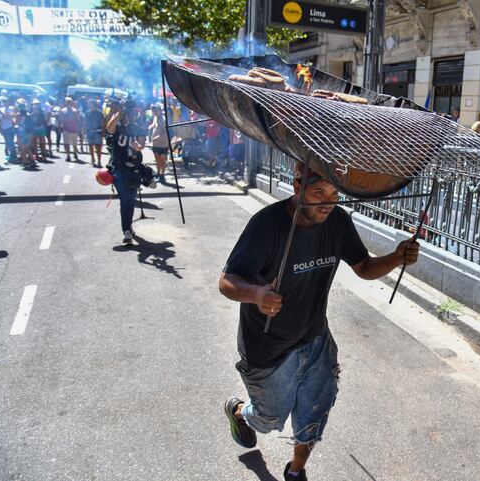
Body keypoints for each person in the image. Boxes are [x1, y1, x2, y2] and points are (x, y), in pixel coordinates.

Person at [219, 162, 420, 481]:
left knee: (314, 413)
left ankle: (296, 471)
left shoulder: (337, 221)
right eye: (319, 193)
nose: (328, 202)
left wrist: (397, 257)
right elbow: (227, 281)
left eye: (335, 194)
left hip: (315, 339)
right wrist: (257, 294)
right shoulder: (266, 225)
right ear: (297, 187)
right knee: (269, 419)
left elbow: (363, 266)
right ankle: (241, 411)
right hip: (268, 347)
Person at [104, 97, 156, 245]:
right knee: (124, 200)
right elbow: (109, 128)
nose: (130, 116)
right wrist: (117, 113)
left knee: (131, 201)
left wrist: (137, 146)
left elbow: (141, 146)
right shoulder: (118, 127)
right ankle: (126, 231)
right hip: (119, 170)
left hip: (134, 170)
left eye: (132, 114)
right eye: (127, 114)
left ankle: (128, 227)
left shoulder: (139, 129)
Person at [148, 103, 169, 182]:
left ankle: (162, 175)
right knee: (157, 160)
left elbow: (164, 131)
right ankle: (158, 173)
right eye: (153, 111)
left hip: (163, 144)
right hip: (155, 143)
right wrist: (151, 126)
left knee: (163, 160)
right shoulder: (155, 117)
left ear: (160, 110)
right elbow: (154, 124)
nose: (154, 112)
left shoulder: (164, 120)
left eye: (156, 110)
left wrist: (157, 137)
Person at [59, 97, 81, 162]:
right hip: (66, 129)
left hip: (74, 129)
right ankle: (68, 155)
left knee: (74, 143)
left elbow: (78, 120)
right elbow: (60, 119)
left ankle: (74, 152)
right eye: (67, 102)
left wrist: (79, 127)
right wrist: (60, 126)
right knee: (66, 143)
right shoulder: (63, 110)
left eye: (70, 102)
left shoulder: (75, 111)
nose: (68, 103)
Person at [84, 99, 105, 167]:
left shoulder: (99, 113)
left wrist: (102, 131)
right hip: (89, 131)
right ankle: (92, 159)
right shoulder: (87, 112)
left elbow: (102, 122)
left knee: (98, 148)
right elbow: (85, 121)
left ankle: (99, 161)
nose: (89, 105)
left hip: (97, 132)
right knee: (90, 146)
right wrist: (84, 129)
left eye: (90, 104)